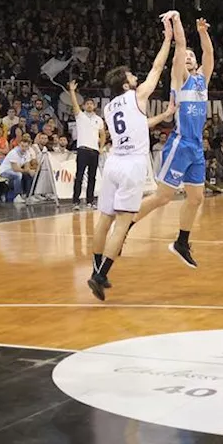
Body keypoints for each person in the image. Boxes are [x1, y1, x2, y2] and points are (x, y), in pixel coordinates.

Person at [87, 16, 177, 299]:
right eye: (130, 77)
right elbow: (157, 67)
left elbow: (135, 126)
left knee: (104, 220)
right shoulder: (138, 95)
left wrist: (162, 117)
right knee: (123, 223)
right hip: (133, 165)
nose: (135, 77)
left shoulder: (109, 107)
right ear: (126, 85)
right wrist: (167, 40)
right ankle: (102, 275)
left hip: (113, 162)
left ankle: (94, 269)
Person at [131, 13, 215, 268]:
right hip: (180, 144)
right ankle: (126, 225)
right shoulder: (180, 78)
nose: (189, 57)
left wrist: (203, 32)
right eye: (186, 56)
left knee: (196, 198)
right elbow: (179, 47)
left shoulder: (202, 81)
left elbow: (209, 55)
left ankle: (181, 242)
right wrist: (178, 21)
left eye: (192, 56)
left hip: (196, 148)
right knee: (163, 197)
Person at [68, 80, 104, 209]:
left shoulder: (99, 120)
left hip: (94, 151)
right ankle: (76, 201)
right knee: (79, 175)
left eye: (91, 103)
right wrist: (72, 91)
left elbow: (103, 134)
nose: (89, 105)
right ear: (83, 106)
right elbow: (74, 104)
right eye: (87, 104)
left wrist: (101, 147)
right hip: (82, 149)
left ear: (94, 106)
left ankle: (90, 201)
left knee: (92, 177)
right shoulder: (80, 116)